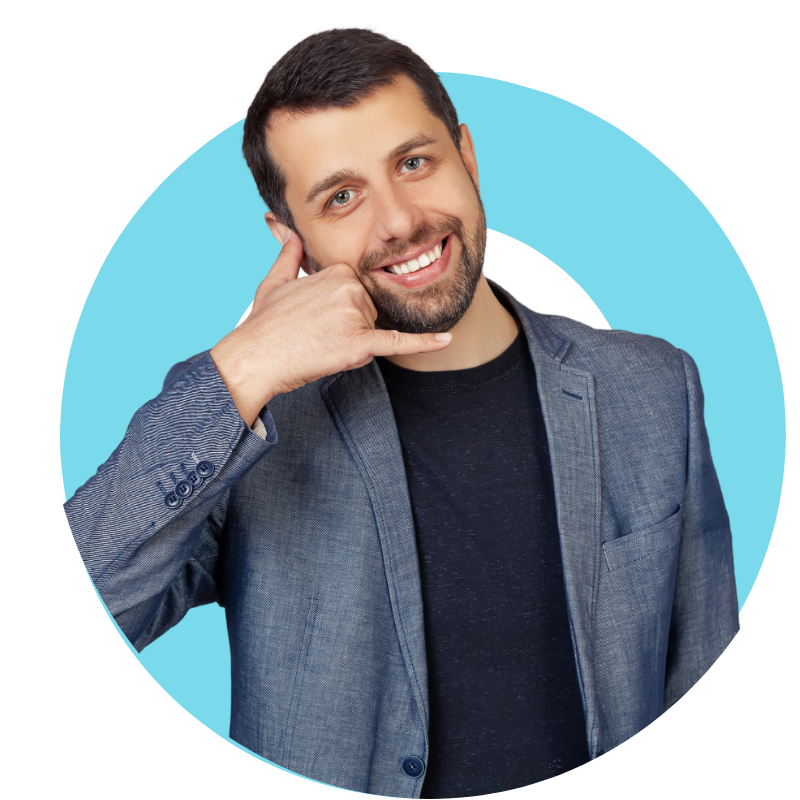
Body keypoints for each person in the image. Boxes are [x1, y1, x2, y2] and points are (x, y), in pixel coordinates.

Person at [64, 26, 740, 799]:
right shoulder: (248, 425)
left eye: (414, 163)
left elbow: (701, 659)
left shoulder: (655, 387)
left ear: (467, 157)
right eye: (341, 197)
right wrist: (245, 366)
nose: (398, 221)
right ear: (291, 239)